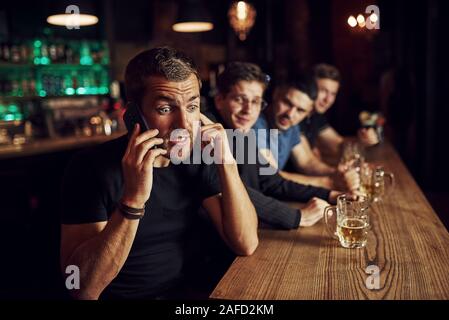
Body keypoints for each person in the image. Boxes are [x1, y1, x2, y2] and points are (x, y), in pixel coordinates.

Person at [60, 47, 258, 300]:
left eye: (192, 106)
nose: (184, 125)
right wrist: (133, 200)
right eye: (165, 109)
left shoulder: (196, 159)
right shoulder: (89, 167)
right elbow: (80, 287)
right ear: (134, 115)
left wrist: (226, 161)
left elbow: (246, 242)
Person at [206, 61, 342, 230]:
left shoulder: (241, 132)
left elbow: (272, 181)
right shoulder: (209, 133)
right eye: (240, 99)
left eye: (256, 102)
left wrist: (330, 195)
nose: (248, 110)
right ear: (220, 100)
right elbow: (234, 191)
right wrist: (297, 217)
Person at [252, 76, 359, 190]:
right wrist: (327, 182)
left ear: (309, 111)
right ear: (276, 93)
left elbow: (307, 162)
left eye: (300, 110)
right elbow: (272, 176)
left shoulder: (291, 125)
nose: (290, 114)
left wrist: (336, 172)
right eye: (287, 103)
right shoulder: (256, 123)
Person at [301, 63, 379, 159]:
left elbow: (337, 144)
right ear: (310, 88)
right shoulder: (296, 116)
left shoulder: (315, 116)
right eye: (323, 91)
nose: (328, 100)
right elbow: (307, 163)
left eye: (333, 94)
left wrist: (363, 141)